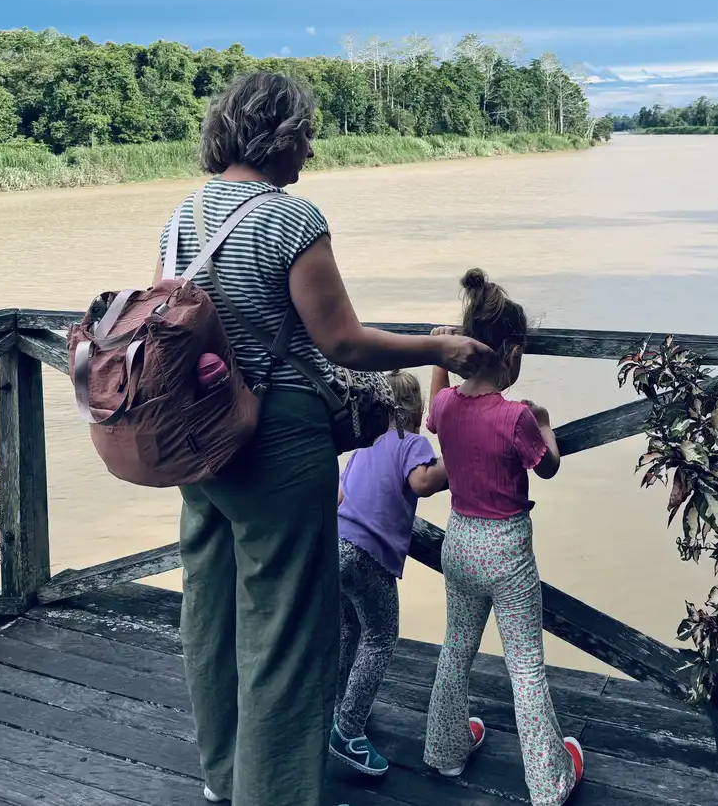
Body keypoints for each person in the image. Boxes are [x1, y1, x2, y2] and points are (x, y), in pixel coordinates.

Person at [155, 72, 493, 806]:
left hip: (197, 437)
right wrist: (439, 351)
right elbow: (343, 342)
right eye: (305, 129)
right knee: (287, 630)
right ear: (278, 134)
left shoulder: (183, 215)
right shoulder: (290, 218)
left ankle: (225, 777)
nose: (310, 143)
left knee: (210, 610)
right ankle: (272, 794)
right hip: (275, 441)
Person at [423, 269, 584, 806]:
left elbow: (431, 412)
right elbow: (549, 467)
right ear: (511, 352)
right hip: (507, 550)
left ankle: (444, 752)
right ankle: (548, 781)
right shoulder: (515, 417)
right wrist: (546, 424)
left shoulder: (447, 407)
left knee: (456, 650)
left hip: (459, 541)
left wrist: (437, 358)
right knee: (525, 665)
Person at [331, 369, 448, 776]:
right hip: (368, 556)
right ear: (414, 411)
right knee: (380, 638)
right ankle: (348, 730)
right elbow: (422, 483)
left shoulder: (364, 444)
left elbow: (342, 492)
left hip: (335, 545)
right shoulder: (411, 442)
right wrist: (458, 458)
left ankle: (337, 705)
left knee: (349, 630)